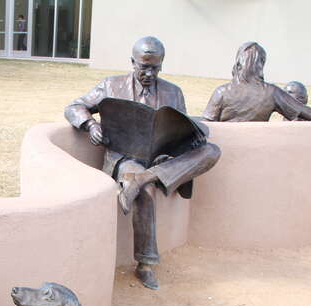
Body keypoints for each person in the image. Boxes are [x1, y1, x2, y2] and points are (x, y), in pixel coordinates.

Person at [65, 36, 221, 289]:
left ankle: (142, 179)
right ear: (132, 62)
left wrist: (191, 140)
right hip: (125, 158)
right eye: (143, 66)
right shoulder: (110, 85)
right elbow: (75, 106)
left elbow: (181, 129)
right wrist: (90, 124)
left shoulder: (173, 92)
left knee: (211, 151)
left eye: (154, 68)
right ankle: (146, 263)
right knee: (146, 191)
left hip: (161, 158)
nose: (148, 73)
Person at [202, 42, 311, 122]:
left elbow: (207, 124)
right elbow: (306, 112)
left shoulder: (221, 92)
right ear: (261, 64)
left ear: (238, 63)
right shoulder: (271, 92)